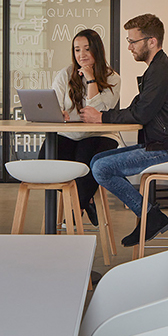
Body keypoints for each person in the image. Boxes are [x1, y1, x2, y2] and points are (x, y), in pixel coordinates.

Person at [82, 13, 168, 247]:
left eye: (133, 41)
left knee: (102, 168)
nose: (129, 47)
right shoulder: (155, 70)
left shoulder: (161, 71)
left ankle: (149, 215)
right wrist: (103, 117)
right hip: (164, 143)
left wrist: (102, 117)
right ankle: (149, 215)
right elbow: (138, 107)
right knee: (97, 160)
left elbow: (141, 114)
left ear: (152, 41)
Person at [46, 29, 122, 227]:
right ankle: (86, 199)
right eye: (77, 49)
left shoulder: (113, 78)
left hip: (100, 134)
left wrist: (90, 79)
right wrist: (58, 113)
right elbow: (53, 102)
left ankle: (74, 214)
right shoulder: (65, 74)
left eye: (87, 49)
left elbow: (94, 114)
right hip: (70, 133)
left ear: (97, 50)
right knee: (46, 160)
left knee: (86, 160)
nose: (82, 54)